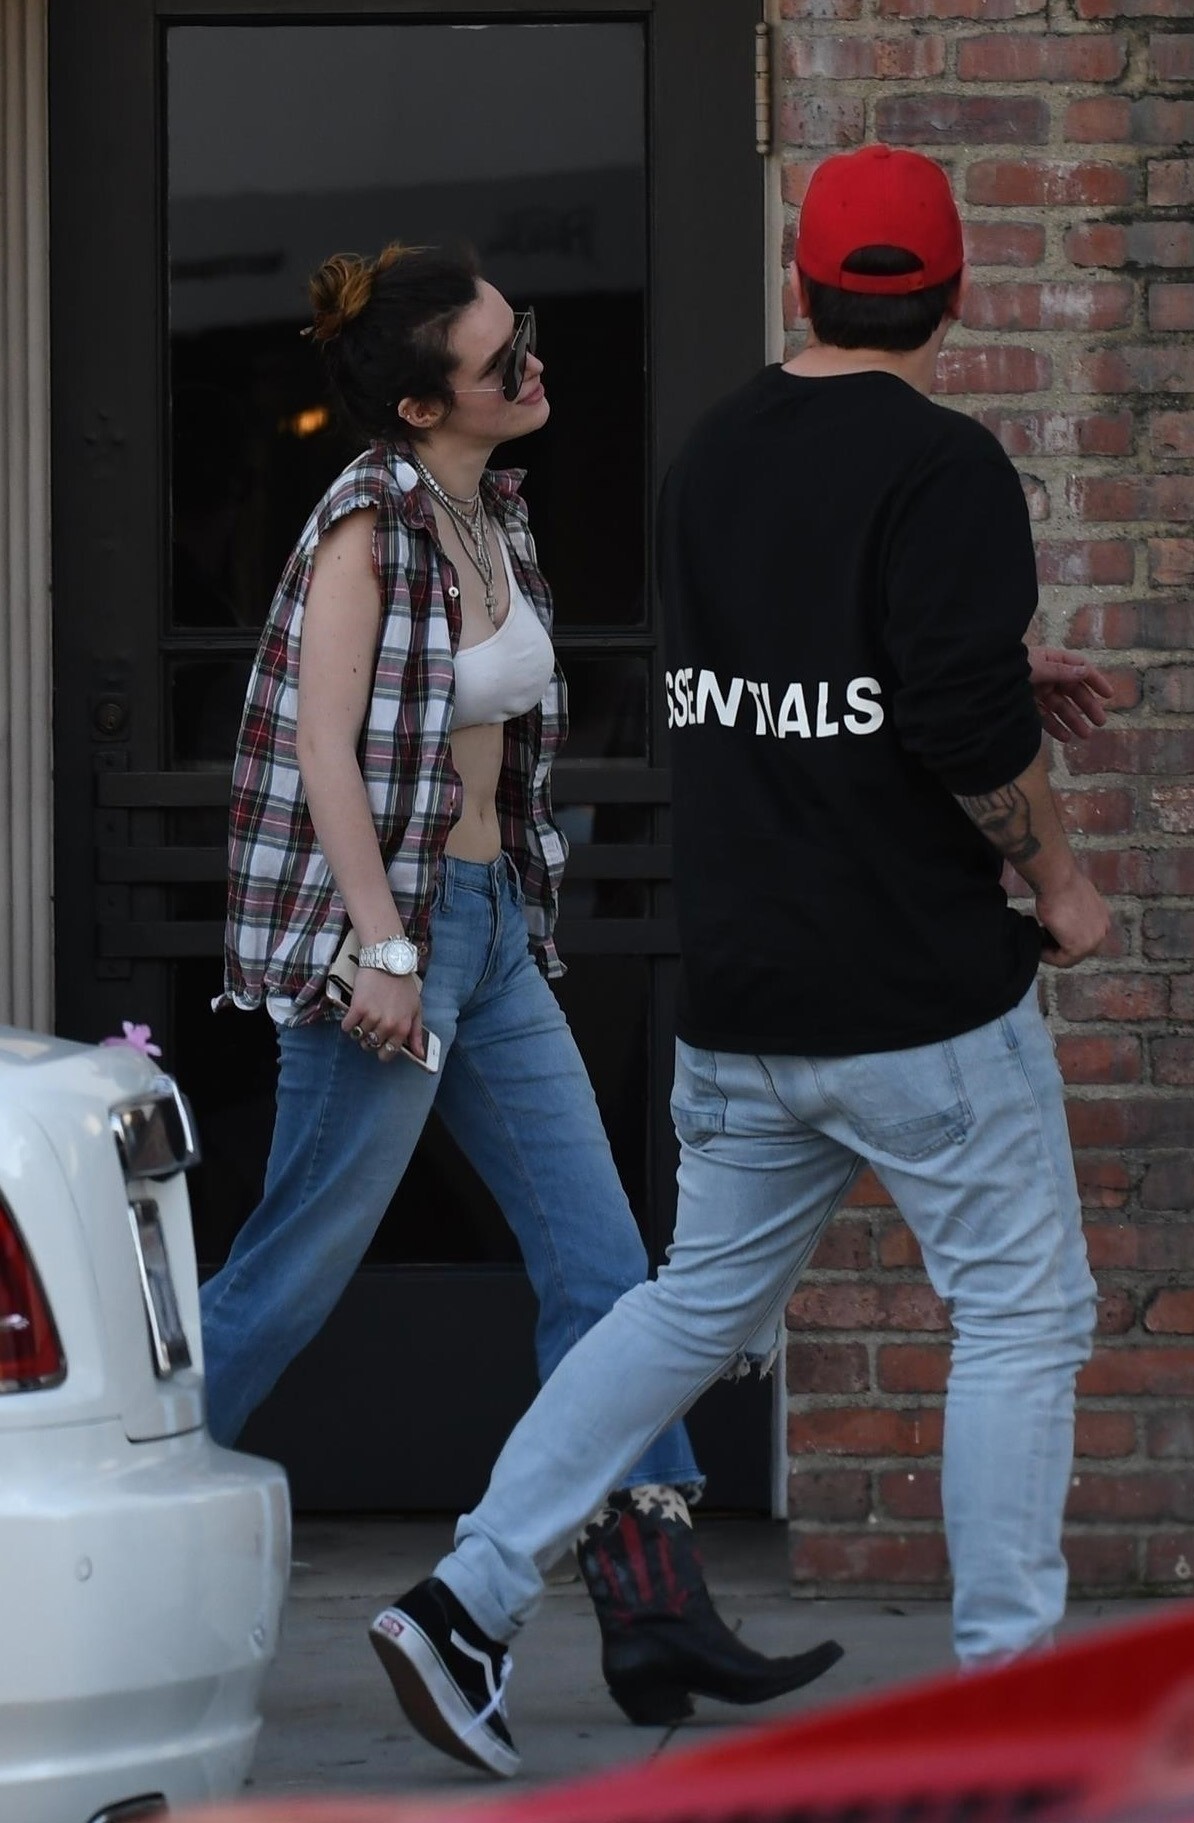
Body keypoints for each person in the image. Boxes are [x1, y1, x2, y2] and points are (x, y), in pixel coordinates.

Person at [373, 146, 1116, 1780]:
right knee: (1020, 1317)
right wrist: (1059, 880)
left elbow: (820, 663)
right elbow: (948, 725)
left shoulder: (706, 460)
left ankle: (467, 1595)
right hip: (918, 997)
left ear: (799, 281)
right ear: (956, 294)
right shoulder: (947, 468)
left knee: (692, 1306)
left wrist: (991, 665)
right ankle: (1008, 1707)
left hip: (747, 997)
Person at [203, 240, 844, 1738]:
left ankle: (653, 1610)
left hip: (491, 933)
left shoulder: (489, 508)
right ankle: (67, 1538)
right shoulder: (366, 524)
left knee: (605, 1267)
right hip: (400, 951)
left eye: (527, 335)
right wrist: (383, 949)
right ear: (425, 405)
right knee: (288, 1282)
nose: (536, 368)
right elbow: (320, 748)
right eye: (504, 362)